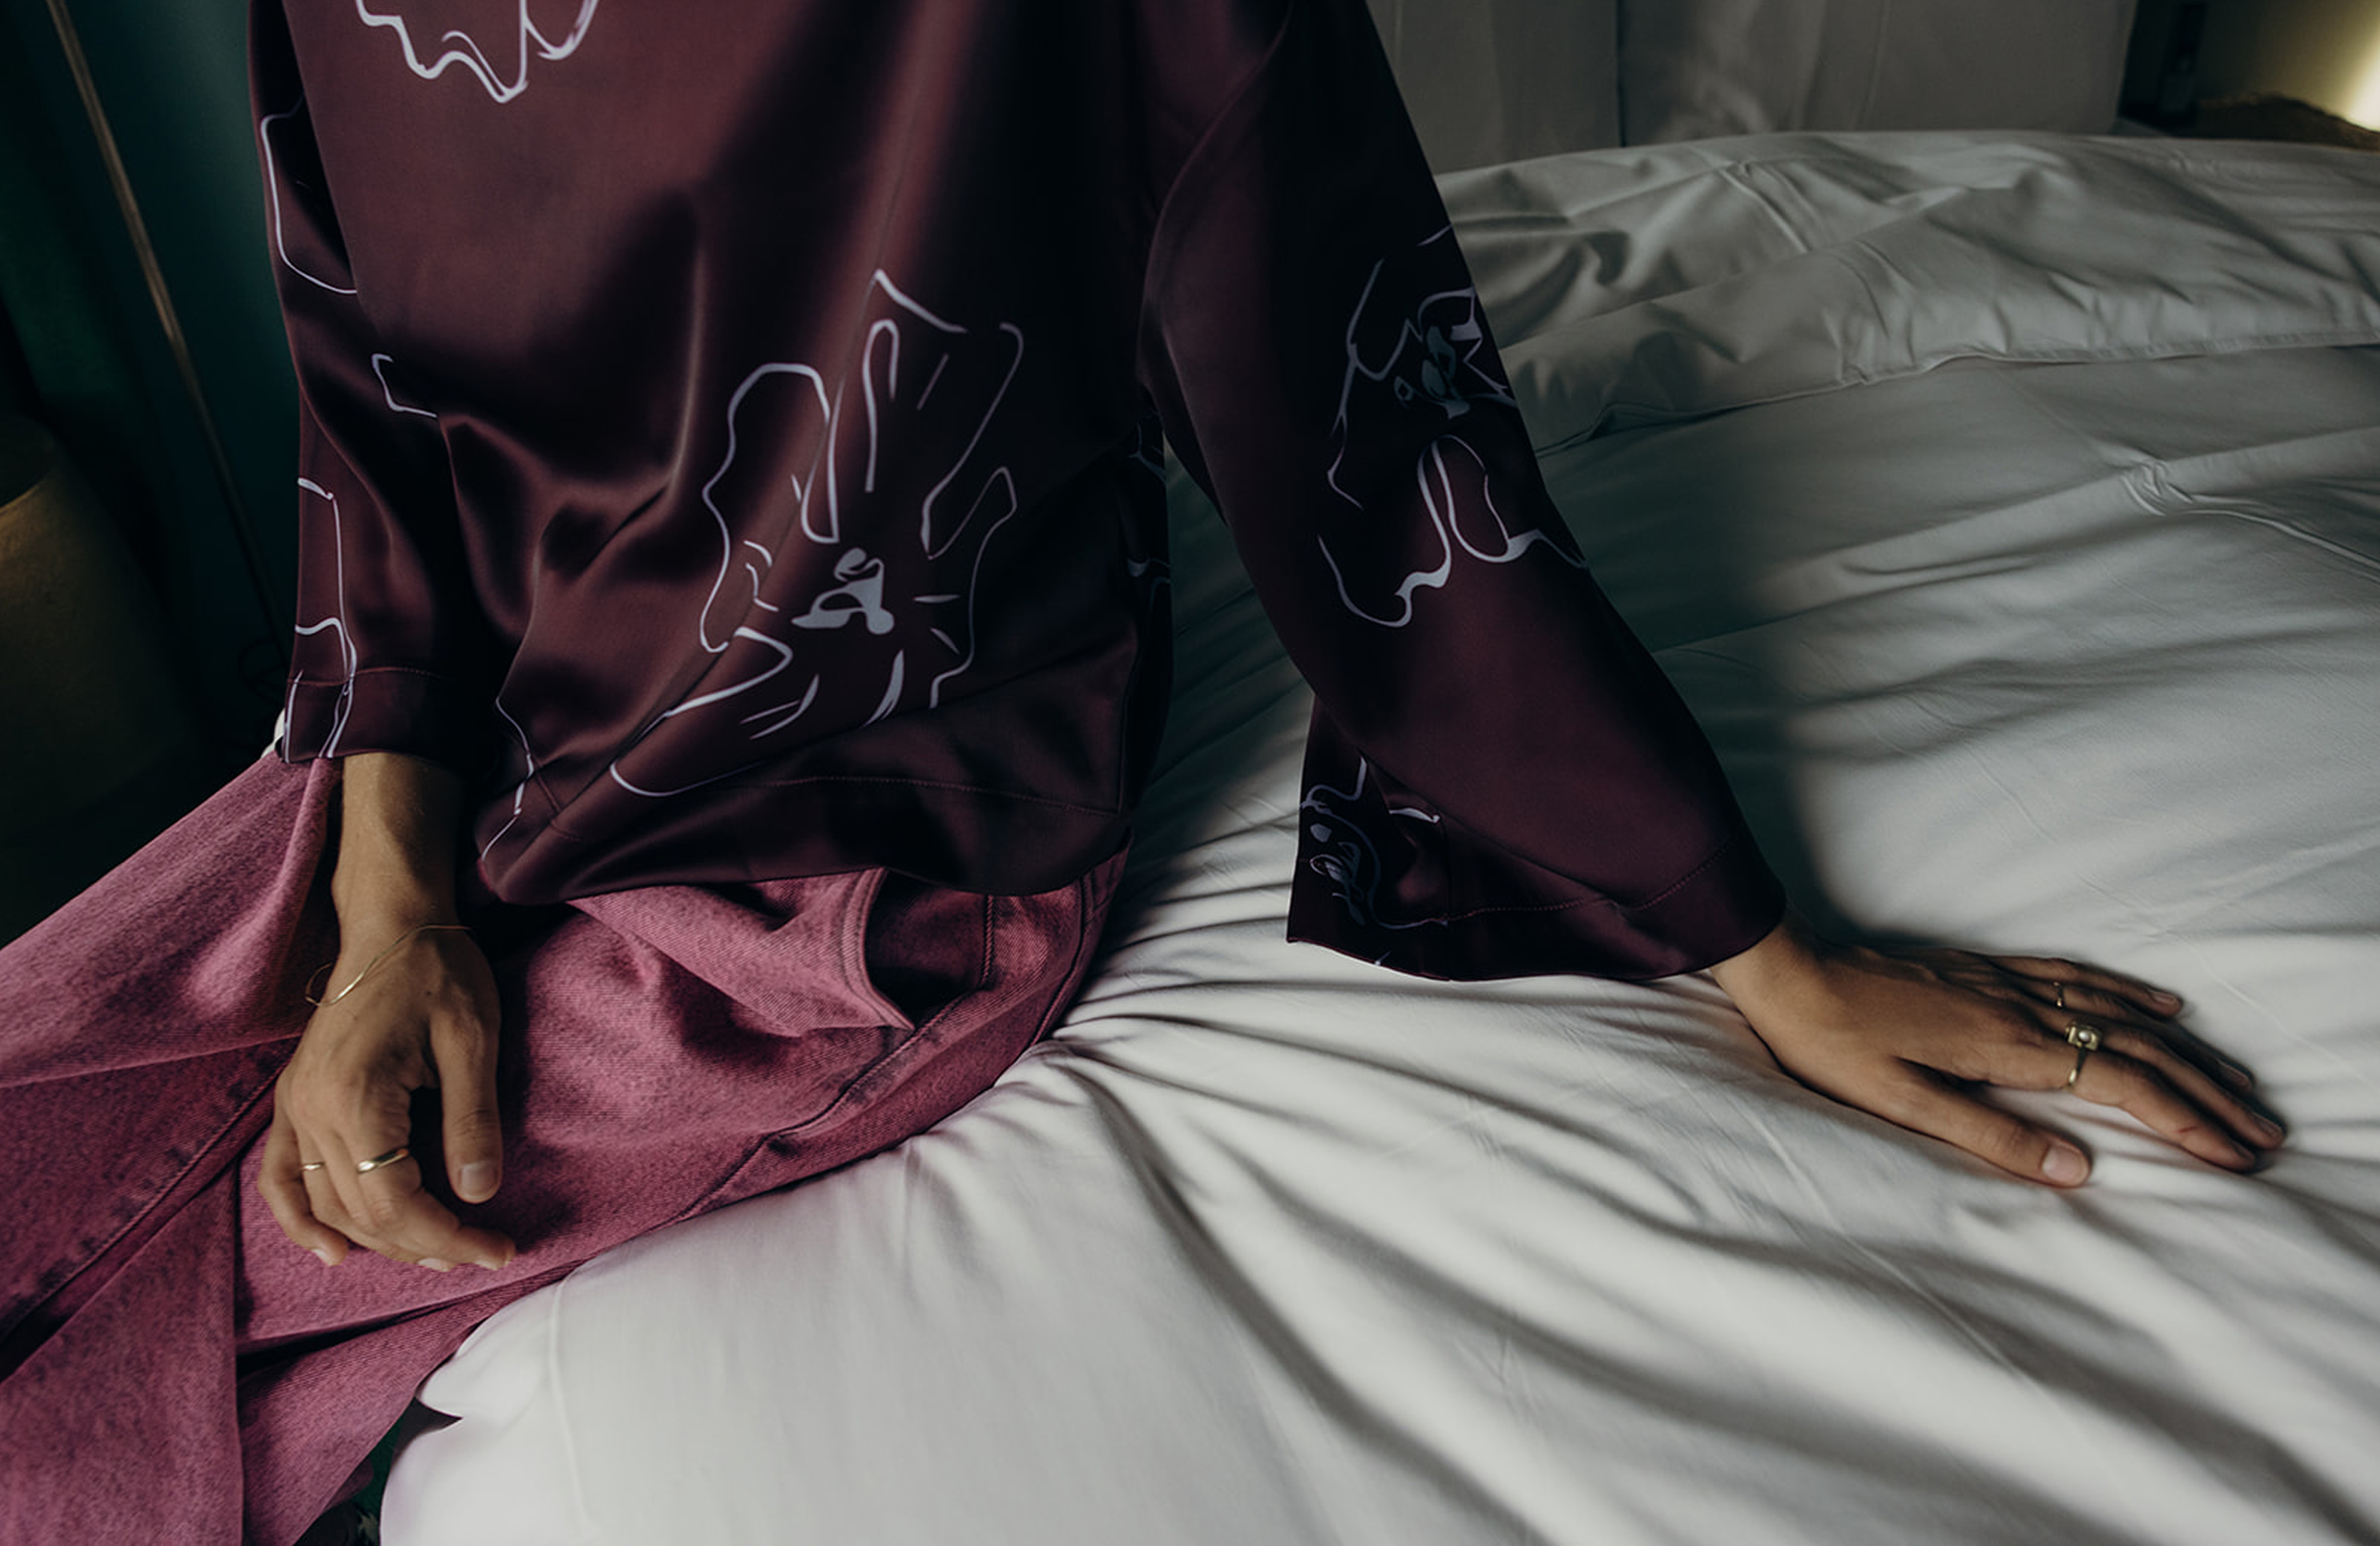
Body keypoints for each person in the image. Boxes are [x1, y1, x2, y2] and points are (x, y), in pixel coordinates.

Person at [0, 2, 2283, 1540]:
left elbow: (1363, 416)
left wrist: (1751, 944)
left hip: (860, 858)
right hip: (422, 774)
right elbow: (372, 415)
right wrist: (387, 905)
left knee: (114, 1385)